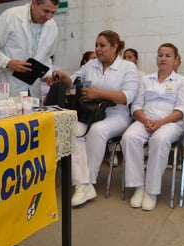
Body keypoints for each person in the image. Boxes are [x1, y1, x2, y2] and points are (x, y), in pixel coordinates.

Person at [53, 30, 139, 207]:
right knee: (71, 129)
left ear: (114, 47)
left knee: (97, 131)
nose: (98, 49)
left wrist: (98, 93)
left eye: (102, 45)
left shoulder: (127, 67)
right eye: (96, 45)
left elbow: (127, 97)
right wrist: (64, 77)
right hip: (90, 112)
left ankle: (88, 182)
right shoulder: (91, 65)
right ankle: (82, 184)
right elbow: (74, 80)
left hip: (117, 114)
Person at [120, 43, 184, 211]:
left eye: (167, 55)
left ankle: (152, 190)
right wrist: (145, 120)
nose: (163, 58)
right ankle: (138, 186)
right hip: (145, 121)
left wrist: (161, 122)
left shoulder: (182, 81)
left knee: (160, 139)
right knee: (129, 137)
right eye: (160, 55)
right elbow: (136, 106)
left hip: (171, 123)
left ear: (176, 60)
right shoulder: (145, 79)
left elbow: (181, 109)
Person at [0, 0, 59, 99]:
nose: (49, 17)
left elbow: (46, 57)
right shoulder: (12, 16)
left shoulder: (52, 26)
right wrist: (7, 62)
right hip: (8, 86)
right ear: (34, 3)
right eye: (46, 11)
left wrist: (48, 75)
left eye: (53, 13)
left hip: (33, 90)